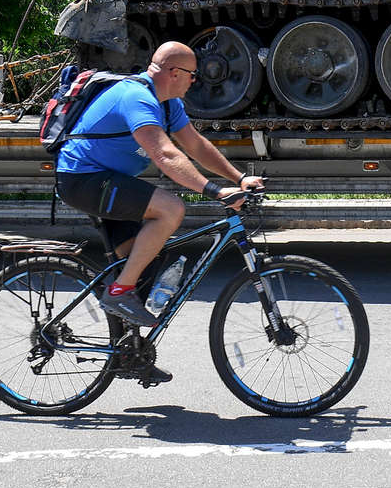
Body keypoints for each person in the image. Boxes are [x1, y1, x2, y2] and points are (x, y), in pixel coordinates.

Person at [56, 41, 265, 341]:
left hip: (108, 179)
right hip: (83, 178)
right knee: (171, 209)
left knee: (146, 258)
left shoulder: (168, 103)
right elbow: (165, 155)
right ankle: (118, 292)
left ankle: (130, 349)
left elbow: (195, 146)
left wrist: (239, 178)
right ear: (174, 73)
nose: (195, 81)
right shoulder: (137, 97)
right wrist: (216, 191)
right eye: (193, 75)